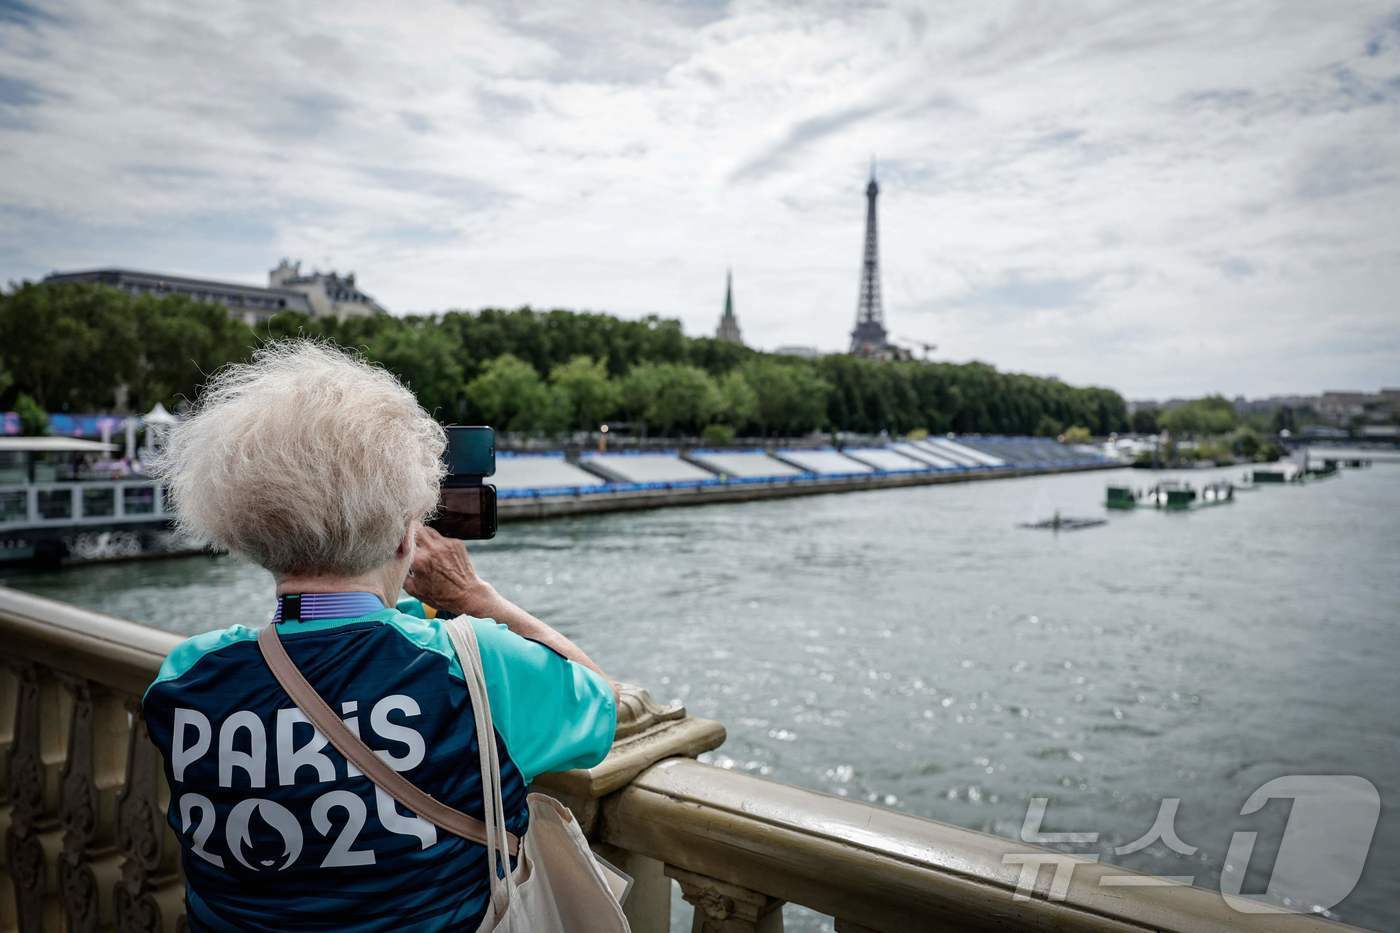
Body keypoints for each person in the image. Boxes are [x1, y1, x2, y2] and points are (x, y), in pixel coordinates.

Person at [142, 341, 617, 931]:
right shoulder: (474, 665)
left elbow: (325, 642)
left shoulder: (187, 673)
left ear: (244, 536)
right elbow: (600, 704)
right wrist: (473, 597)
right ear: (404, 537)